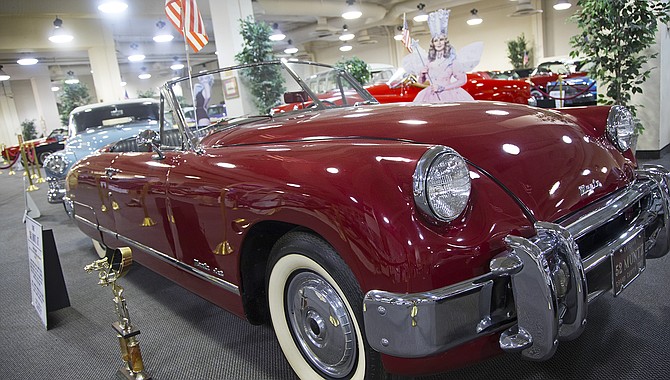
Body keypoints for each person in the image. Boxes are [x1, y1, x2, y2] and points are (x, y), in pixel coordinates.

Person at [410, 9, 475, 103]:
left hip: (449, 94)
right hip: (430, 95)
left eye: (441, 40)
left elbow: (462, 80)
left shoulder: (451, 60)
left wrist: (443, 88)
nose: (439, 43)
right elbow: (421, 82)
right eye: (436, 40)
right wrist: (422, 74)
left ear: (445, 42)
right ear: (433, 43)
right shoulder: (429, 61)